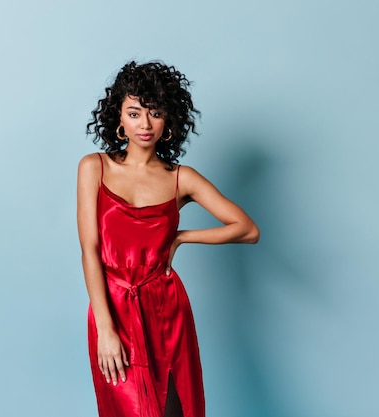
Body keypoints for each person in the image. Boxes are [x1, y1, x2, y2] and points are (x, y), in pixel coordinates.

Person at [77, 61, 259, 417]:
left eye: (155, 113)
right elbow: (90, 250)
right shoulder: (93, 167)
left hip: (166, 308)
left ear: (169, 121)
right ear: (119, 118)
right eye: (134, 113)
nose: (144, 124)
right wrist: (105, 329)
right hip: (112, 306)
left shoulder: (182, 179)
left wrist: (182, 237)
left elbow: (247, 229)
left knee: (172, 408)